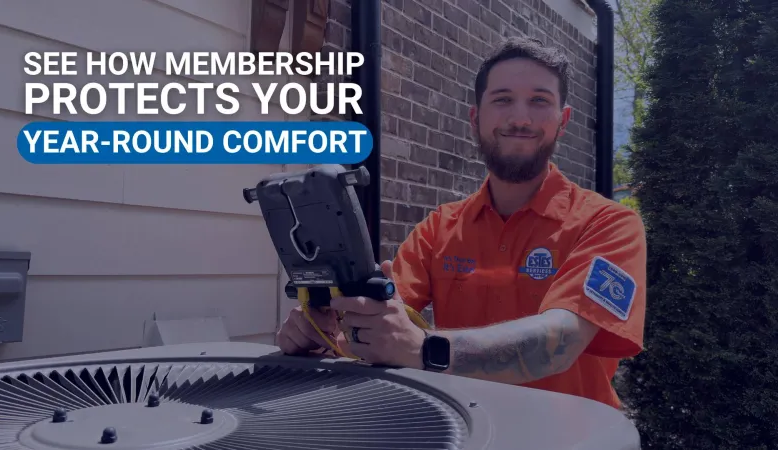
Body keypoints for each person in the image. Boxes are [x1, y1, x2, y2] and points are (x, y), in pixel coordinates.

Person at [276, 36, 647, 410]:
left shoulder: (609, 224)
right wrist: (326, 331)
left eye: (539, 100)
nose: (520, 118)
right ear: (475, 118)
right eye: (502, 99)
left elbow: (560, 342)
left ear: (562, 120)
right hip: (464, 434)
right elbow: (385, 326)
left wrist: (426, 349)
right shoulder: (439, 229)